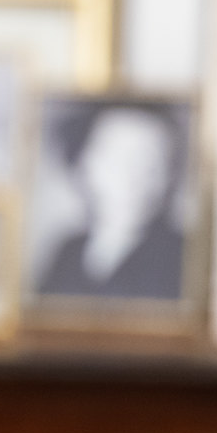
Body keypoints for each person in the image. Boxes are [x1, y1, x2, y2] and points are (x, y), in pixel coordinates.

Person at [36, 105, 187, 300]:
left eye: (150, 164)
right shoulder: (67, 253)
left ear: (170, 176)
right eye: (117, 160)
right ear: (84, 165)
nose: (132, 180)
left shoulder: (181, 259)